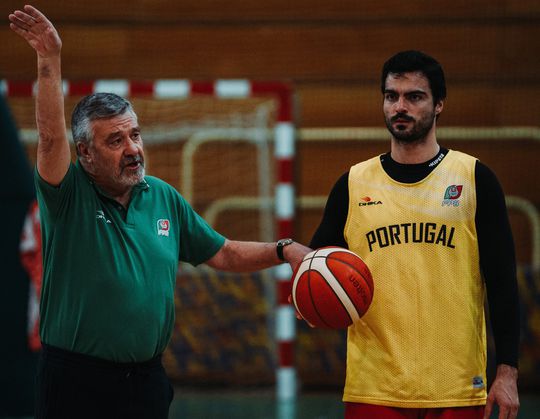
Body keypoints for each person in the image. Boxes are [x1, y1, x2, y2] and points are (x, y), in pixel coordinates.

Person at [8, 5, 310, 419]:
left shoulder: (162, 196)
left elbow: (221, 252)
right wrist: (49, 57)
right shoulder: (68, 194)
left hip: (146, 381)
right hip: (75, 382)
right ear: (86, 155)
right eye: (115, 141)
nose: (133, 148)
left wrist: (284, 250)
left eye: (135, 134)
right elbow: (48, 137)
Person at [309, 50, 520, 419]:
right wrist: (311, 298)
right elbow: (316, 266)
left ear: (438, 104)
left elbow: (502, 283)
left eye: (414, 96)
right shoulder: (353, 183)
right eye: (391, 96)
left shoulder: (474, 178)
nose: (400, 106)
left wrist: (507, 373)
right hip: (374, 387)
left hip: (455, 386)